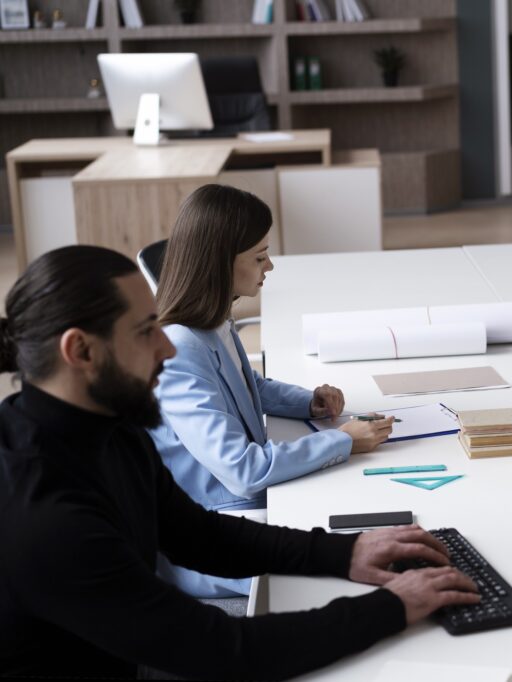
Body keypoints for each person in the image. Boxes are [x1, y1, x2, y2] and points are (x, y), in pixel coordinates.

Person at [0, 245, 479, 679]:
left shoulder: (109, 423)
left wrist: (345, 552)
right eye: (147, 332)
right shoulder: (44, 518)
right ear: (80, 350)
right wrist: (392, 606)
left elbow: (199, 535)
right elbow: (227, 650)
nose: (168, 347)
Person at [148, 184, 394, 596]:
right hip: (218, 536)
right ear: (219, 263)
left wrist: (308, 403)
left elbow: (249, 385)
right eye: (259, 257)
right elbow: (244, 471)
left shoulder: (211, 322)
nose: (271, 266)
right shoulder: (180, 351)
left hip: (248, 512)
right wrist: (340, 441)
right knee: (361, 557)